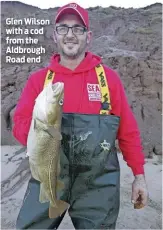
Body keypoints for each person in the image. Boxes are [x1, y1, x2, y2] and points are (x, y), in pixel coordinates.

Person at [12, 2, 148, 229]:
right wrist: (41, 131)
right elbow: (19, 126)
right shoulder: (39, 81)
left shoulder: (108, 80)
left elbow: (128, 132)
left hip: (96, 186)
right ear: (55, 36)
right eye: (63, 28)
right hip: (49, 177)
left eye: (78, 28)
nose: (70, 35)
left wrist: (139, 175)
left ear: (89, 36)